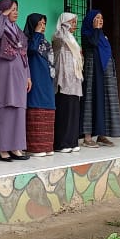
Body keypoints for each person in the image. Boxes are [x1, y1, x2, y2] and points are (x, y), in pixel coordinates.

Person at [0, 0, 31, 162]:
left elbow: (24, 54)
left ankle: (15, 147)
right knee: (2, 109)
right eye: (12, 9)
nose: (16, 12)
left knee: (18, 110)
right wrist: (2, 17)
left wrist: (28, 76)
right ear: (2, 10)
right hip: (2, 76)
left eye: (16, 9)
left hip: (19, 77)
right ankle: (2, 149)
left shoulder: (18, 31)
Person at [80, 9, 120, 147]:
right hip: (93, 73)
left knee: (104, 102)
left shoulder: (103, 37)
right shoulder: (87, 34)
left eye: (101, 18)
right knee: (90, 101)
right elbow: (93, 43)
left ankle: (102, 135)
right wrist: (96, 30)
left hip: (104, 74)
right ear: (90, 20)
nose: (100, 20)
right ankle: (87, 138)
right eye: (97, 18)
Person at [23, 13, 55, 157]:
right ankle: (34, 147)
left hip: (47, 82)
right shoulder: (27, 41)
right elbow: (32, 49)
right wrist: (36, 34)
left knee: (48, 108)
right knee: (36, 107)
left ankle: (46, 145)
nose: (42, 27)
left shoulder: (46, 42)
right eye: (39, 24)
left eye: (44, 24)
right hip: (35, 81)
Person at [51, 12, 83, 153]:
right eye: (72, 22)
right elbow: (58, 42)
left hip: (74, 79)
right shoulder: (59, 37)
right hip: (63, 79)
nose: (74, 25)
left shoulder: (72, 39)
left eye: (75, 22)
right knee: (64, 110)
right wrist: (63, 28)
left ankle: (72, 141)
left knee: (74, 110)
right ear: (65, 23)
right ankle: (61, 143)